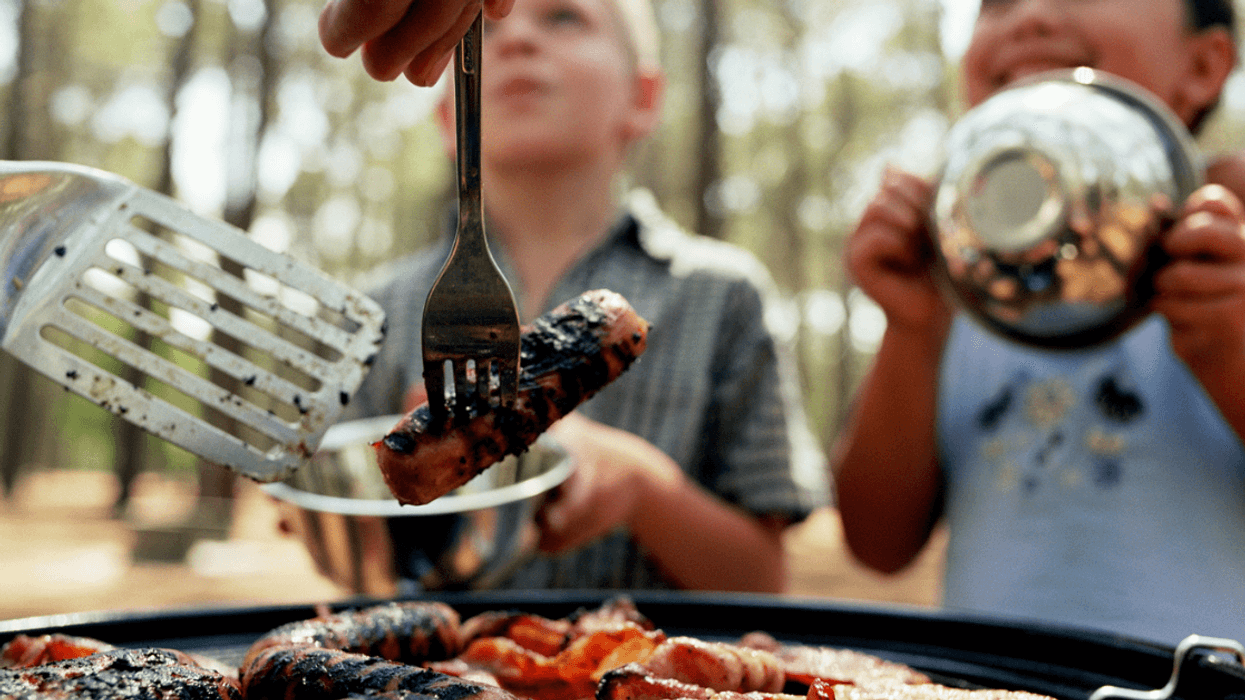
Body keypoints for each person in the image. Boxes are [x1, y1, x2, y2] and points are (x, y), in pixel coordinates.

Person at [338, 0, 827, 592]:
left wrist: (644, 489)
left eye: (564, 17)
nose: (516, 37)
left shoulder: (723, 295)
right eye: (484, 28)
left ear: (642, 97)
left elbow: (763, 580)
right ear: (447, 118)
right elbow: (355, 554)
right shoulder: (382, 309)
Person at [834, 0, 1245, 645]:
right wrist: (912, 329)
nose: (1028, 17)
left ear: (1202, 65)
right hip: (990, 687)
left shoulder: (1237, 264)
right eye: (995, 2)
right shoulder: (961, 273)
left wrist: (1233, 353)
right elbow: (877, 544)